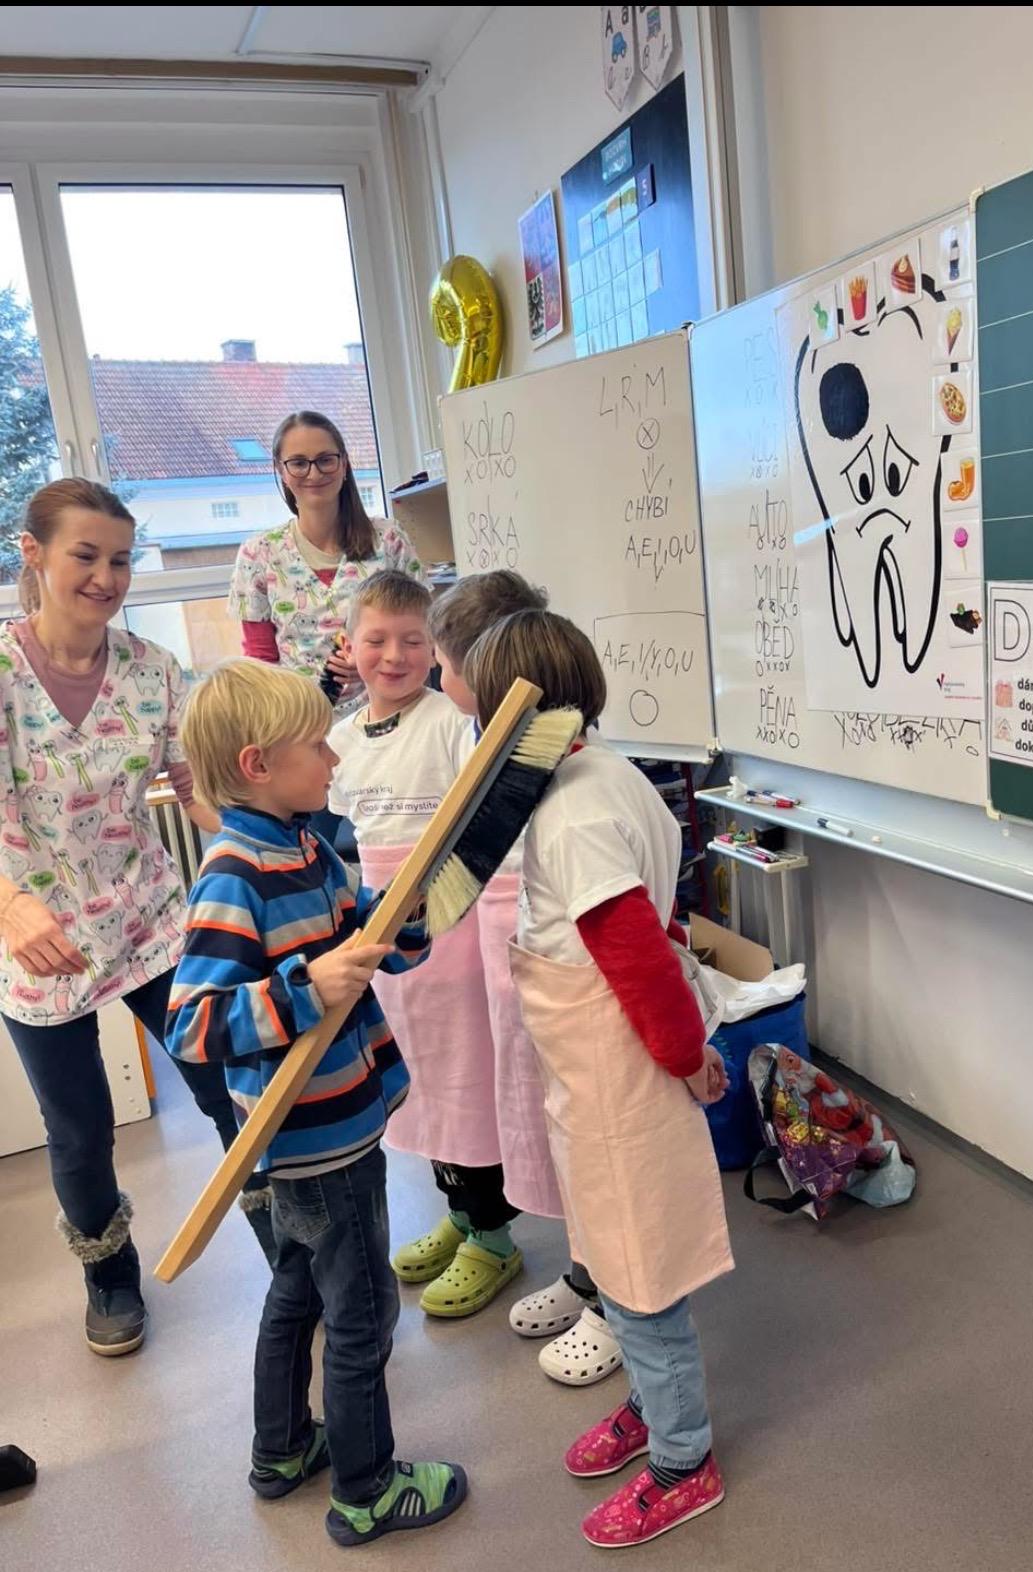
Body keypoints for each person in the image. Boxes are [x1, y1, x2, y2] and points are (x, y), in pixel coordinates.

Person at [165, 658, 467, 1549]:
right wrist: (304, 989)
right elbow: (192, 1024)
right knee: (362, 1313)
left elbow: (366, 934)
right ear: (257, 765)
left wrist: (404, 914)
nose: (334, 758)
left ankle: (283, 1450)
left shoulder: (306, 847)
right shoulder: (235, 875)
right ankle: (366, 1490)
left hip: (336, 1123)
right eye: (316, 746)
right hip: (315, 1141)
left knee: (296, 1292)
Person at [466, 609, 733, 1549]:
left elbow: (639, 957)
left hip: (622, 1069)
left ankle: (683, 1459)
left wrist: (686, 1056)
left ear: (509, 715)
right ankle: (653, 1409)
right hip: (597, 1070)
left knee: (640, 1274)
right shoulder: (601, 773)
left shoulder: (573, 812)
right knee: (617, 1254)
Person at [0, 479, 275, 1362]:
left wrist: (265, 854)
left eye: (120, 559)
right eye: (85, 555)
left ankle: (288, 1241)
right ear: (34, 554)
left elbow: (196, 788)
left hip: (151, 919)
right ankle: (109, 1273)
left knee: (225, 1079)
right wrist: (10, 904)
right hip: (38, 941)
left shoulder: (152, 670)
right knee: (80, 1127)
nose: (106, 577)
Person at [429, 570, 621, 1384]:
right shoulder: (497, 749)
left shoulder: (575, 783)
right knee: (555, 1131)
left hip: (571, 985)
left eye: (444, 666)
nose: (439, 679)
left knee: (594, 1145)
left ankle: (620, 1300)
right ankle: (586, 1272)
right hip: (530, 973)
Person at [327, 570, 522, 1318]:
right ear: (349, 646)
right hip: (386, 935)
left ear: (436, 649)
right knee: (420, 1080)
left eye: (413, 641)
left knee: (466, 1076)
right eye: (376, 640)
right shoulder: (342, 739)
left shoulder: (450, 722)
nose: (394, 656)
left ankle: (493, 1234)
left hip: (451, 925)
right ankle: (461, 1212)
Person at [226, 409, 424, 842]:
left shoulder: (388, 540)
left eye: (325, 460)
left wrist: (370, 665)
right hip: (302, 740)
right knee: (316, 854)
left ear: (344, 463)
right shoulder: (259, 554)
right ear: (280, 470)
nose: (313, 473)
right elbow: (260, 662)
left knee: (395, 846)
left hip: (392, 727)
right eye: (299, 463)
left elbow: (423, 632)